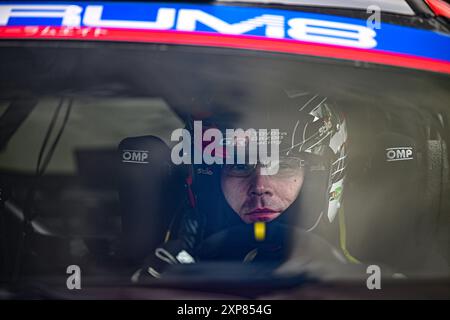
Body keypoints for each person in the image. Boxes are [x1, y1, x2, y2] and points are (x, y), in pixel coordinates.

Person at [134, 87, 348, 280]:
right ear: (212, 178)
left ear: (316, 179)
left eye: (283, 165)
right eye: (239, 166)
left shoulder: (362, 270)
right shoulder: (172, 260)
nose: (259, 186)